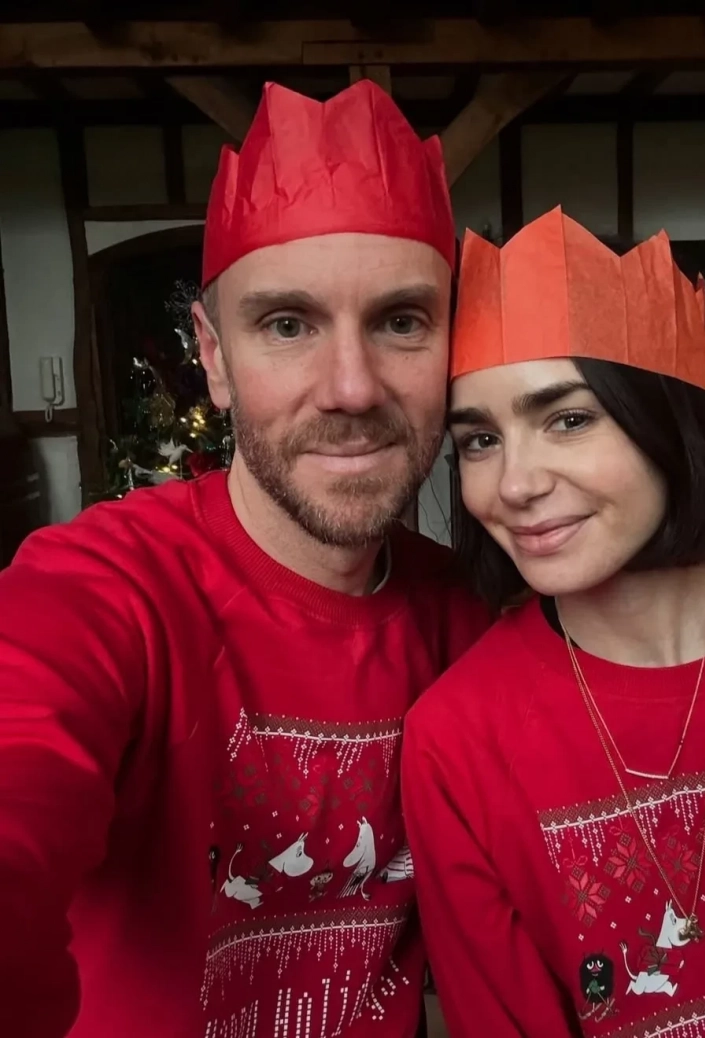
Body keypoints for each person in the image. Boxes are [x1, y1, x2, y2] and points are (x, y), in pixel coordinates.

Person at [0, 81, 489, 1038]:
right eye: (288, 324)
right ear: (215, 358)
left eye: (401, 320)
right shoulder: (105, 586)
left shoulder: (470, 620)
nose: (351, 388)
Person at [402, 207, 705, 1037]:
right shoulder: (457, 742)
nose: (515, 484)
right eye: (479, 440)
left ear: (669, 420)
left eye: (568, 419)